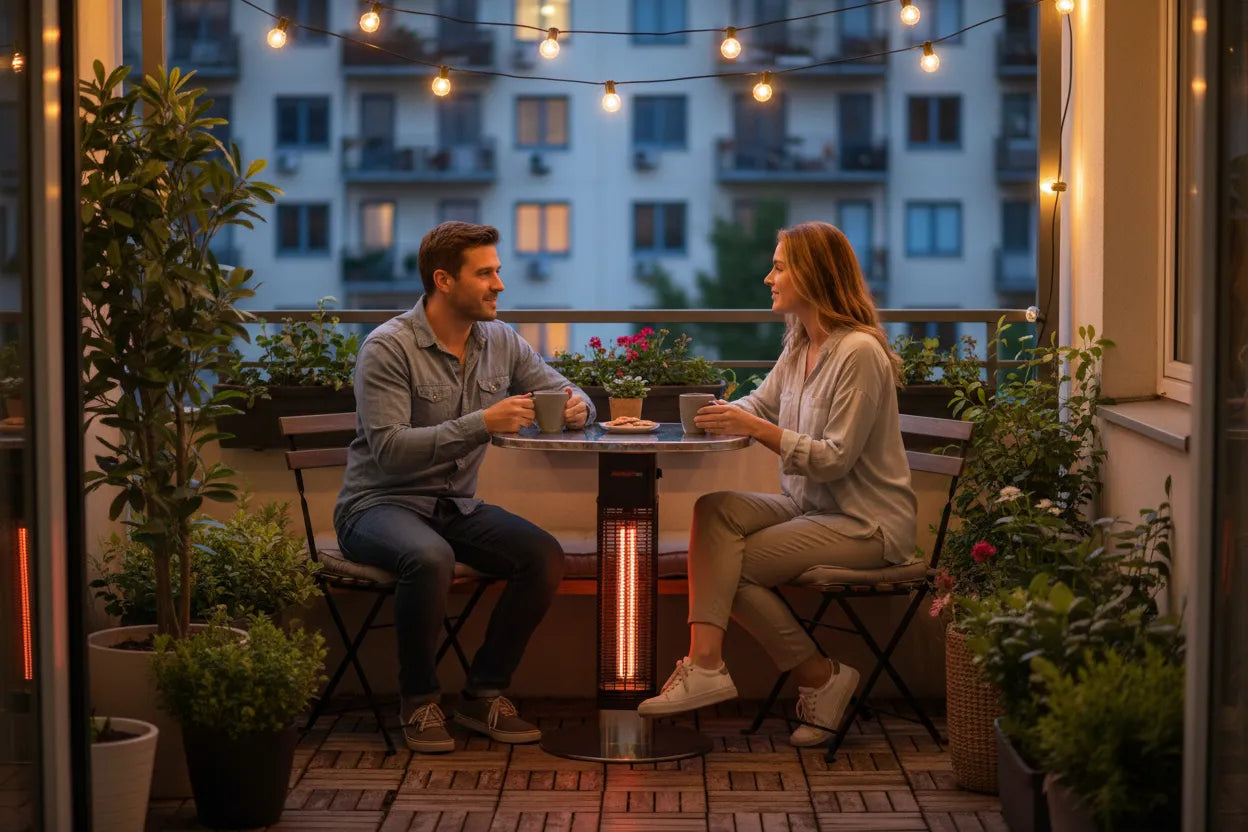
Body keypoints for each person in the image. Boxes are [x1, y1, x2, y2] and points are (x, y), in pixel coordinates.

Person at [636, 221, 917, 747]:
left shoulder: (858, 352)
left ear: (813, 274)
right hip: (810, 507)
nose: (769, 276)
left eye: (780, 266)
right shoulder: (800, 346)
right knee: (714, 511)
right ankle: (717, 666)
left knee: (728, 568)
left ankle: (811, 676)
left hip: (867, 523)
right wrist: (704, 418)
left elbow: (834, 459)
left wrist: (756, 430)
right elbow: (758, 406)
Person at [334, 221, 594, 754]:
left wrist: (575, 407)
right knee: (430, 558)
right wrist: (482, 422)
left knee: (543, 556)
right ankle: (419, 701)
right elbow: (389, 450)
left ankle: (483, 693)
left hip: (454, 505)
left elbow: (570, 393)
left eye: (498, 271)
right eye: (486, 273)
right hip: (376, 506)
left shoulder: (501, 341)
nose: (499, 284)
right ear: (444, 280)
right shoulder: (387, 348)